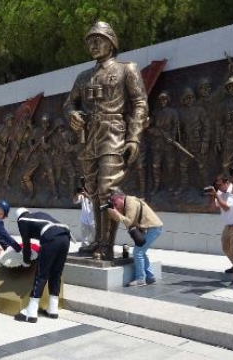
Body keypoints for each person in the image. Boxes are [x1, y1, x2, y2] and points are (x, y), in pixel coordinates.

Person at [64, 21, 149, 260]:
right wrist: (72, 115)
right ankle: (97, 241)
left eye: (98, 39)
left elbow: (140, 104)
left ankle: (106, 245)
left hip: (114, 134)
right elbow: (69, 103)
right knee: (92, 192)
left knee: (107, 190)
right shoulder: (83, 76)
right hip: (89, 136)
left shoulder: (126, 69)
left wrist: (133, 137)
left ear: (111, 43)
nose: (93, 44)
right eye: (90, 40)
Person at [14, 208, 72, 323]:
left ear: (18, 217)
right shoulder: (38, 215)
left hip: (51, 237)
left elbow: (26, 243)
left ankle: (31, 312)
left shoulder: (22, 220)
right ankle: (53, 309)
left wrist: (26, 261)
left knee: (41, 274)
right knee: (56, 274)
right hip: (66, 236)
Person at [106, 193, 163, 287]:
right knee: (141, 252)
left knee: (138, 252)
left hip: (152, 228)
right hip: (151, 227)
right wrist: (115, 212)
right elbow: (124, 220)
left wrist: (115, 212)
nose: (115, 206)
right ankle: (151, 277)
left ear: (121, 199)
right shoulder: (126, 203)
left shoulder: (130, 202)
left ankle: (140, 279)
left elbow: (129, 222)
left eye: (115, 203)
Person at [208, 174, 233, 285]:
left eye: (219, 185)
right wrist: (212, 196)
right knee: (225, 248)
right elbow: (212, 208)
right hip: (228, 225)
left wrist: (216, 195)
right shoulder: (219, 192)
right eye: (216, 185)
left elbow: (226, 207)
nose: (218, 187)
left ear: (226, 182)